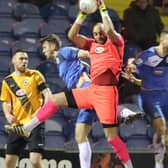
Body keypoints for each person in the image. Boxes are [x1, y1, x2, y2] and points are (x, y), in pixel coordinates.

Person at [5, 0, 134, 167]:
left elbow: (107, 31)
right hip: (90, 91)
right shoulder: (92, 45)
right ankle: (27, 128)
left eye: (100, 32)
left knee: (112, 138)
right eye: (95, 33)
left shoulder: (116, 43)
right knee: (55, 101)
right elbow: (72, 35)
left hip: (104, 93)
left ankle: (128, 153)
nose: (98, 35)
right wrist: (81, 14)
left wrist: (102, 7)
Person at [122, 31, 168, 168]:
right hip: (150, 97)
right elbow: (133, 67)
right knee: (161, 127)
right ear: (162, 40)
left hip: (166, 95)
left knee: (164, 132)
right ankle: (158, 162)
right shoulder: (148, 54)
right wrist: (131, 68)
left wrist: (136, 80)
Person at [0, 49, 52, 168]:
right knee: (9, 162)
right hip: (17, 125)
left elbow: (47, 94)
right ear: (13, 61)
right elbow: (6, 101)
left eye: (26, 59)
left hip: (35, 123)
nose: (24, 61)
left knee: (34, 161)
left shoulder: (35, 75)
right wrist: (8, 114)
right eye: (21, 58)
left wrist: (42, 111)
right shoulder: (8, 81)